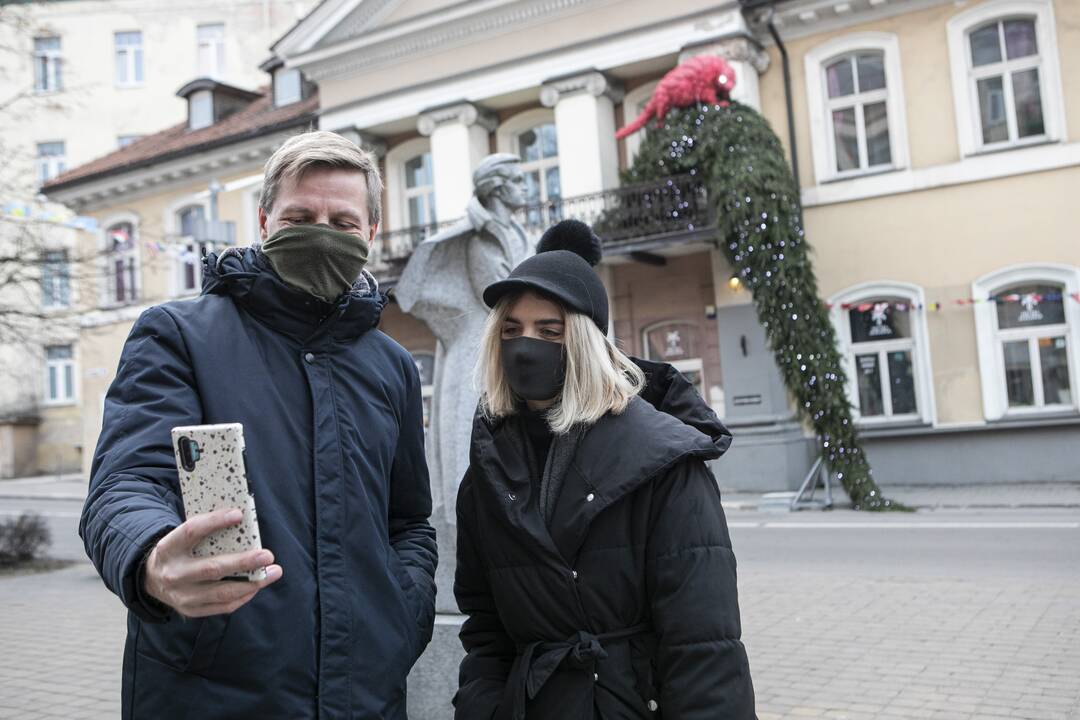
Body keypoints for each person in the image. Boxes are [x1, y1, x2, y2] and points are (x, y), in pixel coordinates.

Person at [79, 130, 437, 719]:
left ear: (371, 234)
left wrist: (403, 612)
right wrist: (149, 558)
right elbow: (127, 481)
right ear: (266, 221)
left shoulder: (391, 364)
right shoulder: (178, 335)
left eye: (342, 222)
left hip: (366, 694)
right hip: (213, 688)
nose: (321, 232)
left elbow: (407, 520)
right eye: (301, 216)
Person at [453, 220, 755, 719]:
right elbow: (485, 629)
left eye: (549, 331)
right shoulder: (487, 470)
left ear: (587, 344)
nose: (525, 345)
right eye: (511, 330)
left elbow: (704, 646)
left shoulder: (664, 462)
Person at [395, 153, 531, 526]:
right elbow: (502, 296)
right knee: (469, 453)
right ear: (499, 188)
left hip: (508, 349)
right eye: (519, 181)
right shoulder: (480, 244)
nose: (526, 188)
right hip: (479, 352)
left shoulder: (517, 233)